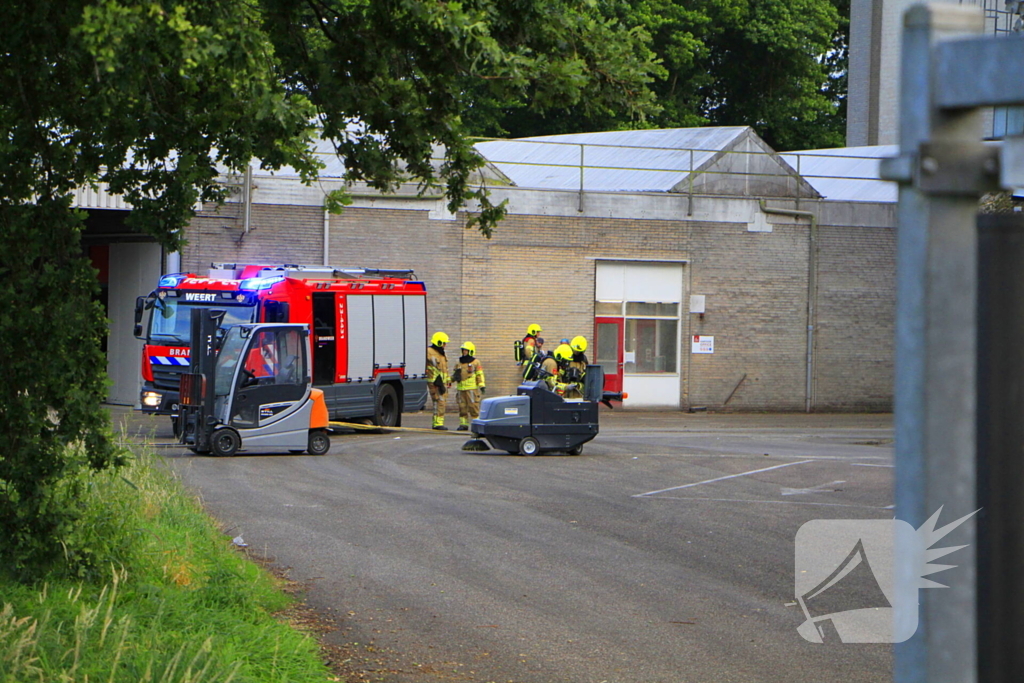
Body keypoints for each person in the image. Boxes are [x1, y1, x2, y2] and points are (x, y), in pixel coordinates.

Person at [453, 341, 486, 431]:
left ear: (470, 351)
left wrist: (482, 385)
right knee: (462, 407)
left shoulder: (476, 362)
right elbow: (455, 374)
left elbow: (479, 374)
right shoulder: (458, 362)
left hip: (471, 389)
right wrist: (450, 380)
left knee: (473, 407)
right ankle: (463, 424)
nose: (464, 352)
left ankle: (477, 425)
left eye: (466, 351)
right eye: (463, 350)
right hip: (461, 389)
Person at [426, 331, 451, 430]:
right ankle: (437, 423)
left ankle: (438, 422)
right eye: (444, 343)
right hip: (435, 382)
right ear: (439, 342)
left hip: (442, 382)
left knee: (441, 401)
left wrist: (448, 380)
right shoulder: (429, 352)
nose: (445, 345)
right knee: (439, 401)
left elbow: (445, 369)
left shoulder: (441, 354)